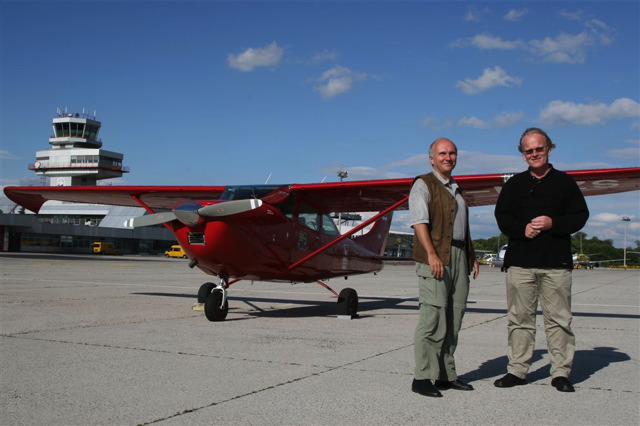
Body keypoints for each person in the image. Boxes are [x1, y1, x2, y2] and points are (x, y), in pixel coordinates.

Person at [494, 127, 589, 393]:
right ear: (522, 154)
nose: (534, 154)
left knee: (559, 320)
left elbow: (580, 215)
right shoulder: (514, 185)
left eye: (539, 148)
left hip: (555, 264)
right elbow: (502, 217)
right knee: (519, 319)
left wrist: (553, 223)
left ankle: (560, 372)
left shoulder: (565, 183)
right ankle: (517, 370)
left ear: (549, 149)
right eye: (529, 150)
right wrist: (521, 229)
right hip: (521, 264)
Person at [410, 137, 479, 398]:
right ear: (431, 158)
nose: (447, 157)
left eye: (452, 153)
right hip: (436, 258)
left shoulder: (457, 189)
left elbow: (460, 227)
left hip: (460, 257)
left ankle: (445, 375)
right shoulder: (423, 184)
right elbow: (419, 222)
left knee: (454, 318)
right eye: (442, 153)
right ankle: (422, 377)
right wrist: (431, 254)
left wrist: (471, 256)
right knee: (433, 318)